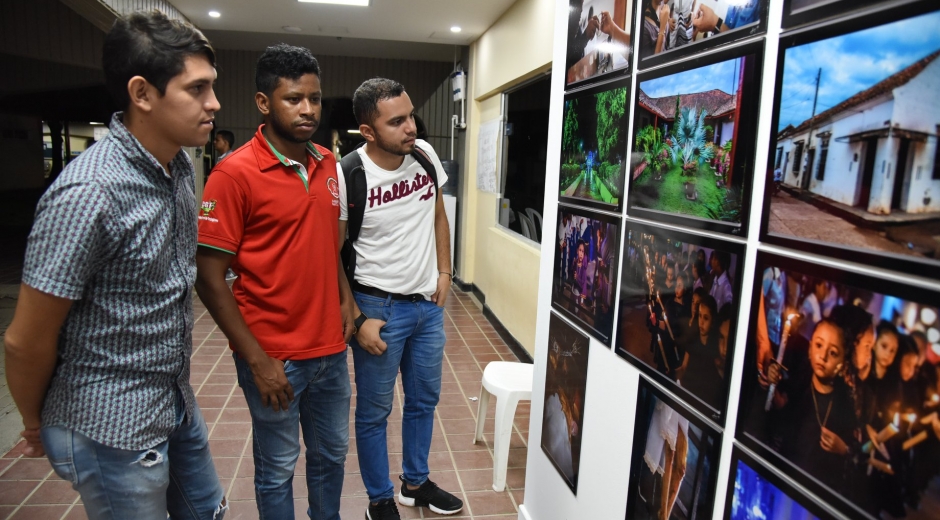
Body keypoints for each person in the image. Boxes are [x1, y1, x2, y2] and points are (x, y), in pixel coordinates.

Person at [4, 10, 226, 519]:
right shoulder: (89, 194)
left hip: (172, 402)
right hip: (110, 425)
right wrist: (38, 423)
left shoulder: (177, 170)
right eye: (197, 89)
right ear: (142, 93)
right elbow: (24, 339)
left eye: (211, 86)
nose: (213, 103)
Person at [194, 44, 353, 520]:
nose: (308, 109)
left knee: (331, 458)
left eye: (315, 98)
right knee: (278, 467)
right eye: (293, 99)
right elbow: (208, 278)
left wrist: (346, 303)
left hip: (329, 351)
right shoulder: (233, 174)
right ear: (264, 103)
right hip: (274, 356)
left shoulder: (327, 163)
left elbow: (329, 247)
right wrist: (258, 361)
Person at [338, 78, 461, 520]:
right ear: (368, 131)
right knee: (375, 412)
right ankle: (379, 498)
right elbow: (330, 252)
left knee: (424, 401)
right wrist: (355, 316)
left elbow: (438, 216)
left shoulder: (423, 155)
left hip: (427, 307)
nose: (411, 127)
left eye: (410, 115)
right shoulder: (349, 173)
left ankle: (415, 483)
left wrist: (445, 272)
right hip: (378, 310)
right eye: (397, 121)